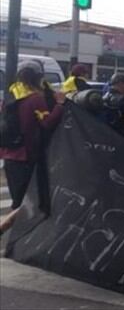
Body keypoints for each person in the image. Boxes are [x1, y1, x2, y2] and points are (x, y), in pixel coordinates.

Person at [0, 62, 65, 210]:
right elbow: (47, 123)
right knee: (26, 202)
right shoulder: (35, 98)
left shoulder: (10, 95)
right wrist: (60, 105)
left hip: (9, 154)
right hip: (26, 155)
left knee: (17, 199)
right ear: (38, 77)